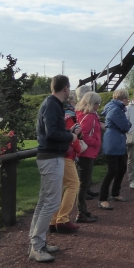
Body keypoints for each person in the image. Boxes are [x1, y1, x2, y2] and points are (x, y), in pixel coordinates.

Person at [28, 75, 80, 263]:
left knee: (45, 201)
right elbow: (52, 132)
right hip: (51, 157)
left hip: (50, 157)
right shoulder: (52, 105)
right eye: (69, 88)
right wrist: (70, 136)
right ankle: (37, 246)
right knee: (50, 202)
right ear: (65, 88)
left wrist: (67, 134)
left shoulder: (51, 104)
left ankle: (37, 243)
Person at [48, 91, 84, 234]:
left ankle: (53, 220)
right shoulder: (69, 116)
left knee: (60, 186)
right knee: (74, 184)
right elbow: (70, 136)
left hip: (57, 154)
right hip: (66, 155)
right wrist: (78, 145)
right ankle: (62, 219)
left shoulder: (59, 113)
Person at [98, 89, 132, 210]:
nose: (128, 100)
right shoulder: (116, 109)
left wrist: (127, 124)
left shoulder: (116, 108)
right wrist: (128, 124)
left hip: (117, 141)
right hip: (113, 142)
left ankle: (115, 193)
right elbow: (125, 126)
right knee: (112, 170)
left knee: (122, 168)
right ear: (122, 98)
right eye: (127, 98)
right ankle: (102, 198)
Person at [75, 91, 102, 224]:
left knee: (83, 183)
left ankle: (83, 210)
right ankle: (81, 212)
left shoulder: (80, 113)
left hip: (83, 152)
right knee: (83, 184)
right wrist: (96, 142)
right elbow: (84, 135)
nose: (98, 105)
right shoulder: (90, 116)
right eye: (97, 103)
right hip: (86, 152)